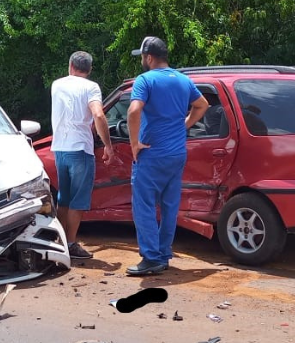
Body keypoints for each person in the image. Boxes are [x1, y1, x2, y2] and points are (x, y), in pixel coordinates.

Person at [126, 36, 209, 276]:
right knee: (170, 206)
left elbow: (133, 110)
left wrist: (134, 143)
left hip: (152, 154)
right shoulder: (183, 80)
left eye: (142, 57)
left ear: (149, 57)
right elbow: (202, 105)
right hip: (177, 153)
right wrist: (184, 124)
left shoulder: (145, 80)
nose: (142, 61)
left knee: (144, 206)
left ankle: (151, 258)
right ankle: (163, 255)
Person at [51, 51, 112, 259]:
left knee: (64, 197)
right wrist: (108, 145)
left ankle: (58, 242)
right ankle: (71, 243)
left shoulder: (56, 85)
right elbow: (98, 114)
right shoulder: (91, 87)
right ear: (90, 69)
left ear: (70, 66)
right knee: (78, 199)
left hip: (59, 148)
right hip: (80, 149)